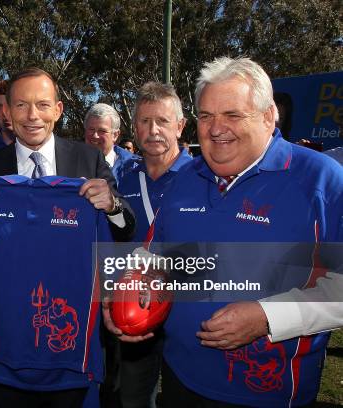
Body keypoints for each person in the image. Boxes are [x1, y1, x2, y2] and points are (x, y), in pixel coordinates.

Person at [105, 57, 343, 407]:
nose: (216, 129)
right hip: (180, 379)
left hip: (267, 392)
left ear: (267, 115)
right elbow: (152, 254)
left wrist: (267, 318)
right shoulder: (186, 178)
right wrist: (127, 286)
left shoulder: (321, 180)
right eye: (206, 116)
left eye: (232, 115)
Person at [0, 67, 135, 407]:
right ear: (6, 112)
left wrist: (112, 205)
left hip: (72, 337)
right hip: (9, 335)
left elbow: (124, 231)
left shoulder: (88, 159)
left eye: (42, 105)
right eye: (21, 105)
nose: (32, 115)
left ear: (58, 110)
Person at [114, 82, 193, 408]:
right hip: (135, 309)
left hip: (187, 310)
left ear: (180, 125)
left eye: (162, 121)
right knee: (133, 397)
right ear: (134, 127)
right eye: (144, 122)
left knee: (182, 396)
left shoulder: (202, 175)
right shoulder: (123, 178)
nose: (153, 130)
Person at [83, 103, 136, 184]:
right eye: (91, 129)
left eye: (102, 131)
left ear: (115, 135)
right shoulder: (69, 163)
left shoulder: (134, 168)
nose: (95, 135)